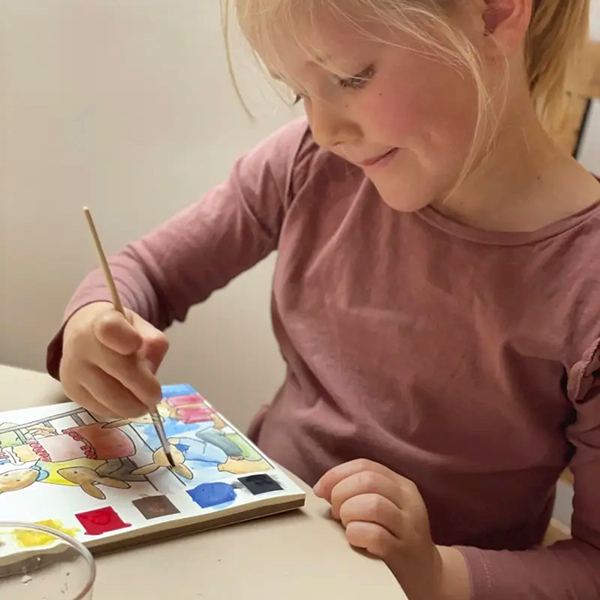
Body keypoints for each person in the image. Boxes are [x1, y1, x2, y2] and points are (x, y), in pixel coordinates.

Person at [46, 0, 600, 598]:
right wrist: (92, 326)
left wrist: (434, 574)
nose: (325, 130)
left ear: (492, 12)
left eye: (350, 78)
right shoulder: (310, 163)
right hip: (250, 551)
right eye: (298, 92)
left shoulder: (586, 286)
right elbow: (145, 273)